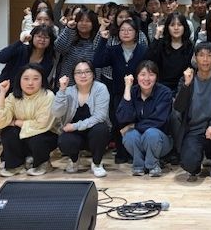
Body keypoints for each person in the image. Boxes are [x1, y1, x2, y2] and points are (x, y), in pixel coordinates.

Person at [93, 17, 149, 163]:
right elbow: (97, 62)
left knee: (136, 121)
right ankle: (121, 153)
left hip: (139, 93)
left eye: (130, 30)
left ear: (136, 33)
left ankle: (135, 153)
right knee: (119, 122)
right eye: (122, 30)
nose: (126, 32)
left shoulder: (143, 50)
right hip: (118, 92)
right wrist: (103, 40)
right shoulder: (114, 50)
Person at [0, 64, 58, 177]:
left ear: (42, 80)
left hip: (45, 135)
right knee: (9, 132)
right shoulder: (13, 96)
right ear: (19, 80)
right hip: (23, 136)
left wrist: (16, 122)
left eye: (35, 79)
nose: (30, 83)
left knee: (37, 137)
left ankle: (42, 164)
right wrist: (2, 92)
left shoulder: (48, 96)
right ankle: (15, 165)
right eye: (26, 79)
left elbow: (41, 124)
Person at [174, 43, 211, 182]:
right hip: (193, 130)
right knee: (189, 165)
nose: (205, 59)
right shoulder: (187, 78)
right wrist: (186, 85)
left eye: (209, 56)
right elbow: (179, 107)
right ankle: (198, 160)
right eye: (201, 55)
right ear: (195, 58)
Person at [52, 60, 110, 177]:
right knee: (64, 140)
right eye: (78, 72)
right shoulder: (68, 91)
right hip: (75, 134)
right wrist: (61, 90)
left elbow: (100, 116)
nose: (83, 75)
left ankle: (97, 163)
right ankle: (74, 160)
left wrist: (75, 126)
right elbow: (57, 113)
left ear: (93, 74)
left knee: (101, 129)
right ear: (73, 75)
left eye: (87, 72)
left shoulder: (100, 88)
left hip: (94, 132)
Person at [117, 61, 173, 177]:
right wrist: (127, 88)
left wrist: (133, 125)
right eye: (142, 74)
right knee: (130, 135)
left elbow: (158, 121)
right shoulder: (132, 91)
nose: (146, 78)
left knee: (151, 133)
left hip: (161, 140)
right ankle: (138, 165)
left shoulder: (164, 93)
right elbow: (122, 117)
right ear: (137, 77)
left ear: (156, 77)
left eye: (151, 74)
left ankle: (153, 165)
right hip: (139, 139)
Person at [0, 25, 56, 102]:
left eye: (46, 37)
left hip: (26, 97)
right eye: (39, 36)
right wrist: (20, 42)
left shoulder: (48, 60)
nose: (42, 40)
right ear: (32, 37)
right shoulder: (21, 48)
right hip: (4, 89)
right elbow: (0, 58)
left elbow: (40, 81)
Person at [146, 12, 194, 96]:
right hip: (161, 89)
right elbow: (148, 59)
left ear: (184, 27)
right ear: (167, 27)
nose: (176, 28)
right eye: (172, 25)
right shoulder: (161, 44)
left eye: (179, 25)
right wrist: (157, 36)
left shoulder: (190, 46)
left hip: (183, 87)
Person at [54, 9, 100, 81]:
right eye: (81, 20)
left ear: (93, 23)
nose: (84, 23)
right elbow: (58, 48)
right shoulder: (70, 34)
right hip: (68, 81)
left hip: (91, 82)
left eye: (88, 21)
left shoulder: (98, 39)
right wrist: (69, 29)